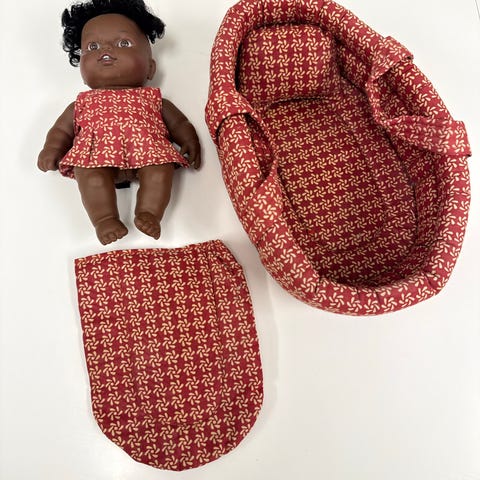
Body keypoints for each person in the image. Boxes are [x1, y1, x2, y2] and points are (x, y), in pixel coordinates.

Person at [38, 0, 201, 245]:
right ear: (82, 70)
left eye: (123, 43)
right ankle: (104, 219)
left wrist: (189, 139)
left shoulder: (153, 99)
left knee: (160, 171)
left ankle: (149, 212)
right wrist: (51, 148)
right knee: (90, 177)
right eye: (92, 46)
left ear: (150, 68)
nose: (105, 50)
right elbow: (62, 129)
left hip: (148, 153)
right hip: (96, 157)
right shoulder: (81, 103)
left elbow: (178, 122)